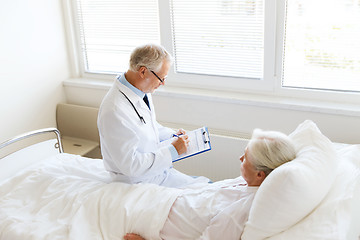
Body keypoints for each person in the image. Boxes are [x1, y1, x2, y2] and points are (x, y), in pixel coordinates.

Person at [123, 129, 297, 240]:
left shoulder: (238, 213)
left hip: (153, 220)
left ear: (260, 174)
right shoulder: (247, 183)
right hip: (162, 199)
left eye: (246, 158)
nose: (240, 159)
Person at [97, 44, 209, 188]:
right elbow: (130, 165)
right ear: (143, 71)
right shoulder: (114, 110)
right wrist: (172, 151)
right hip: (137, 183)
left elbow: (146, 125)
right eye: (161, 78)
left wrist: (172, 136)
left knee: (206, 184)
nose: (163, 83)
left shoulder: (141, 91)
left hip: (156, 173)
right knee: (203, 193)